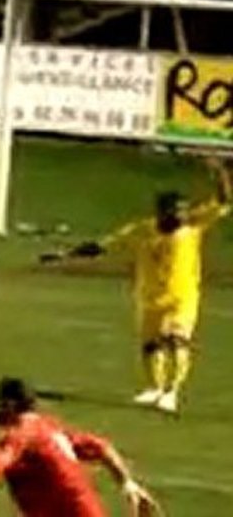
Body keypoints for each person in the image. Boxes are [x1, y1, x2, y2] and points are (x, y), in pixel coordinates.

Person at [40, 158, 232, 414]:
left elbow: (223, 202)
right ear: (162, 212)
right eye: (175, 211)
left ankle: (172, 392)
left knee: (176, 340)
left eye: (183, 211)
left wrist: (220, 174)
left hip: (182, 296)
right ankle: (155, 387)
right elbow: (101, 246)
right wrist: (64, 255)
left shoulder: (195, 225)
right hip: (149, 296)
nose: (180, 215)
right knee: (151, 345)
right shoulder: (142, 230)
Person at [0, 377, 163, 517]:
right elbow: (101, 446)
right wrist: (127, 483)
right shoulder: (47, 426)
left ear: (11, 404)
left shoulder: (21, 435)